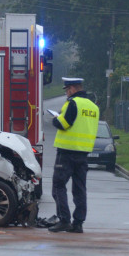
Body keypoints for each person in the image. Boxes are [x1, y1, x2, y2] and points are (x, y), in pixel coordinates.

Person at [49, 77, 99, 233]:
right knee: (79, 189)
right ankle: (78, 223)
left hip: (66, 152)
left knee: (58, 185)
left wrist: (55, 119)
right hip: (83, 154)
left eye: (67, 90)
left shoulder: (73, 103)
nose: (66, 93)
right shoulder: (93, 107)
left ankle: (64, 219)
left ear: (72, 88)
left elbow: (64, 124)